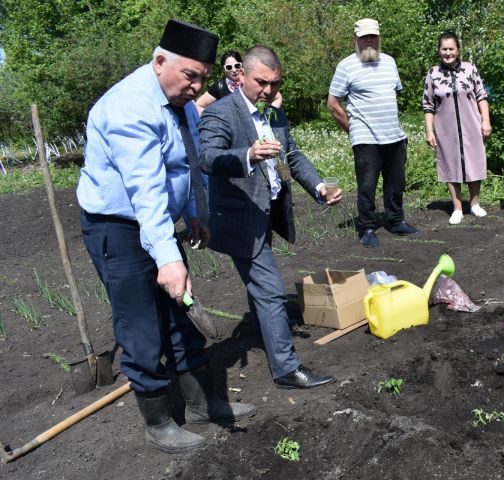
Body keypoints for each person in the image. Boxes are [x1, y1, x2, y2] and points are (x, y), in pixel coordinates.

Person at [76, 20, 255, 454]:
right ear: (160, 62)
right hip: (118, 228)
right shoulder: (128, 108)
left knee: (181, 314)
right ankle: (157, 422)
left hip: (157, 223)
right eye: (190, 75)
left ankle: (200, 403)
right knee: (141, 327)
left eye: (203, 78)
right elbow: (145, 187)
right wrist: (167, 258)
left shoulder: (183, 103)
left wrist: (196, 212)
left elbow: (188, 164)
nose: (196, 87)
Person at [199, 45, 340, 390]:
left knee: (260, 288)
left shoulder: (274, 114)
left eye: (275, 84)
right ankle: (287, 370)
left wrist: (319, 185)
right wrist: (246, 154)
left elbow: (293, 155)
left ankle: (261, 330)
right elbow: (207, 157)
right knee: (271, 290)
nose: (268, 91)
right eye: (262, 83)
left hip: (266, 211)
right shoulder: (221, 113)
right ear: (241, 76)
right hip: (238, 217)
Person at [327, 18, 418, 247]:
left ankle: (396, 220)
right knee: (367, 185)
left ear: (379, 38)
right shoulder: (346, 65)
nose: (369, 41)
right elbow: (333, 104)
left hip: (394, 135)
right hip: (365, 137)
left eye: (373, 37)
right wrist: (353, 128)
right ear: (355, 39)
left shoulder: (389, 62)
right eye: (364, 37)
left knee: (396, 183)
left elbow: (392, 95)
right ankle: (367, 227)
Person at [423, 31, 492, 225]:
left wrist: (485, 120)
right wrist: (429, 130)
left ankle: (475, 203)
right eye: (444, 49)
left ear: (458, 50)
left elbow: (481, 96)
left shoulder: (470, 69)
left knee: (474, 161)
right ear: (439, 50)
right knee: (450, 164)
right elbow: (428, 105)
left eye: (451, 49)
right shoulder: (433, 73)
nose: (448, 53)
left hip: (471, 124)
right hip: (446, 129)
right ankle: (457, 208)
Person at [195, 50, 283, 115]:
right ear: (224, 70)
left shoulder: (251, 83)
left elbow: (277, 97)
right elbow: (198, 105)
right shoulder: (220, 86)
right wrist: (215, 118)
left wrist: (268, 114)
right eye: (229, 67)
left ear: (242, 66)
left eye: (237, 66)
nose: (234, 70)